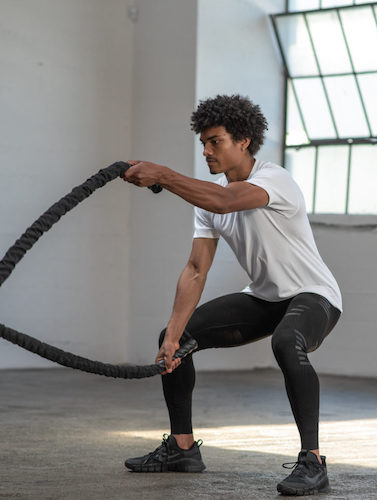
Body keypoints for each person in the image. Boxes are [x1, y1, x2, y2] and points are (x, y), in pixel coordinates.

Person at [120, 94, 342, 496]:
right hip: (264, 297)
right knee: (177, 336)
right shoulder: (207, 200)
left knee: (287, 341)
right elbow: (196, 269)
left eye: (215, 141)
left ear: (243, 141)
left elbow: (225, 201)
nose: (206, 151)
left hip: (314, 295)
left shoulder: (275, 179)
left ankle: (313, 461)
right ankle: (182, 449)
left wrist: (164, 176)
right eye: (202, 143)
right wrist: (173, 333)